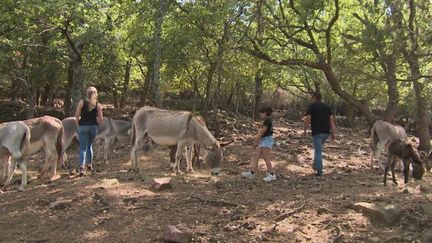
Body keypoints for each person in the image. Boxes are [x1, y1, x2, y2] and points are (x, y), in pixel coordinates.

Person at [303, 92, 336, 177]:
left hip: (317, 132)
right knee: (318, 148)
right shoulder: (327, 107)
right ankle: (315, 164)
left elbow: (308, 119)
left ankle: (320, 171)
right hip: (326, 132)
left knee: (318, 151)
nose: (311, 99)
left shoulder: (312, 106)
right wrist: (333, 132)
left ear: (314, 97)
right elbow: (331, 120)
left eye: (312, 97)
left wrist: (305, 130)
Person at [74, 86, 103, 176]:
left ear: (87, 93)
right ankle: (89, 165)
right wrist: (97, 125)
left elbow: (77, 115)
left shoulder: (82, 102)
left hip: (83, 126)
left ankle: (82, 166)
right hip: (93, 127)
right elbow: (101, 118)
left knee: (83, 147)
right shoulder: (98, 105)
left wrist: (78, 124)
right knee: (89, 145)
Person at [242, 107, 276, 182]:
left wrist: (256, 141)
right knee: (257, 156)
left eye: (261, 113)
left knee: (266, 158)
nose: (260, 115)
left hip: (267, 140)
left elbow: (263, 132)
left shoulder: (267, 120)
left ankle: (272, 174)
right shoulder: (267, 120)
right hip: (264, 140)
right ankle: (252, 172)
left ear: (265, 113)